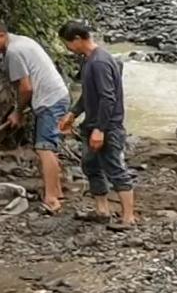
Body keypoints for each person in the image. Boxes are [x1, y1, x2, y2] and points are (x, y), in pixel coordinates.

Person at [0, 20, 69, 214]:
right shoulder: (23, 41)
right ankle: (57, 191)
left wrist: (18, 112)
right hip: (55, 96)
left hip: (50, 101)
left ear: (1, 35)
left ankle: (52, 199)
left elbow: (26, 87)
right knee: (47, 147)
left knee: (44, 148)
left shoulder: (13, 52)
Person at [54, 21, 136, 230]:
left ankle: (128, 218)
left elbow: (107, 98)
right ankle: (102, 210)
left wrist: (100, 129)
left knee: (114, 168)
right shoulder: (89, 60)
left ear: (78, 40)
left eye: (67, 44)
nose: (68, 49)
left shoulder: (99, 62)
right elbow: (89, 94)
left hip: (107, 127)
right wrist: (73, 113)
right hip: (92, 125)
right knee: (90, 166)